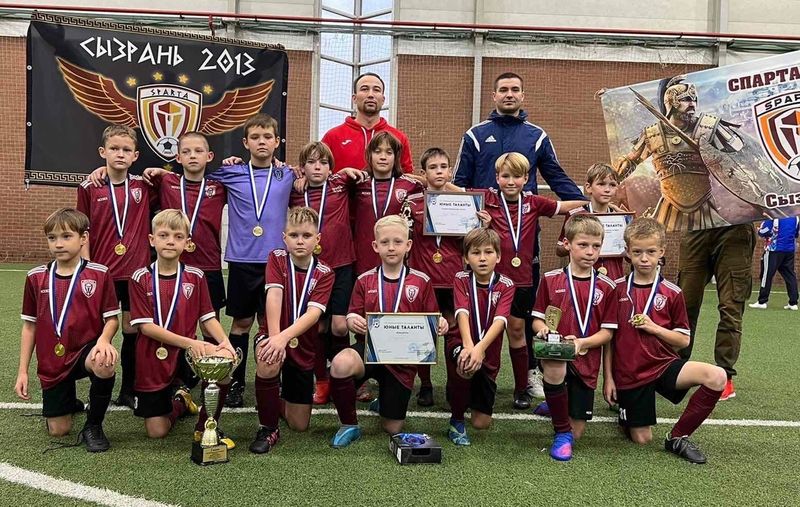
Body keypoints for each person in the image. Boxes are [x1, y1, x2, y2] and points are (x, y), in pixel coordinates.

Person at [453, 72, 585, 402]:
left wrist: (591, 205)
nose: (509, 94)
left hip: (524, 246)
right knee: (479, 313)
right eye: (503, 90)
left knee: (520, 322)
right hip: (484, 245)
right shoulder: (475, 135)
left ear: (523, 95)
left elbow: (557, 177)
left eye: (515, 90)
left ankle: (527, 378)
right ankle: (476, 373)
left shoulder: (537, 136)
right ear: (494, 95)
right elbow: (460, 185)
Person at [604, 217, 726, 464]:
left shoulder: (672, 292)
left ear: (661, 251)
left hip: (662, 366)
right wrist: (609, 378)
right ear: (627, 252)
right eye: (637, 252)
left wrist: (654, 328)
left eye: (650, 252)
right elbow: (609, 339)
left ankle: (677, 437)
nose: (644, 258)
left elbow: (682, 340)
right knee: (642, 439)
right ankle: (626, 412)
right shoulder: (615, 289)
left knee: (717, 376)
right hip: (629, 374)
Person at [476, 152, 585, 409]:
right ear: (496, 177)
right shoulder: (486, 199)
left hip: (521, 281)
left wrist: (592, 202)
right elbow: (454, 193)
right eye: (505, 176)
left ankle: (520, 388)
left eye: (516, 176)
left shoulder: (533, 202)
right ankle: (485, 384)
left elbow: (564, 207)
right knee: (488, 331)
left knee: (517, 331)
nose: (510, 181)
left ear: (526, 178)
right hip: (492, 280)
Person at [328, 215, 448, 448]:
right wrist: (353, 321)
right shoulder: (364, 280)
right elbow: (352, 314)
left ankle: (384, 401)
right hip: (370, 351)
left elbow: (433, 317)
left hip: (402, 360)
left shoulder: (421, 281)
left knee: (392, 428)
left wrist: (441, 323)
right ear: (375, 246)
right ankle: (349, 425)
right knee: (340, 364)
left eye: (397, 242)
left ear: (408, 245)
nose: (391, 247)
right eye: (385, 242)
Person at [206, 113, 296, 408]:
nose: (261, 142)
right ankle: (235, 383)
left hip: (276, 261)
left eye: (267, 137)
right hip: (242, 260)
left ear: (277, 142)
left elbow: (312, 178)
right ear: (245, 143)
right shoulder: (230, 172)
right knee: (242, 322)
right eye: (255, 137)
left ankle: (271, 382)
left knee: (272, 324)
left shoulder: (287, 174)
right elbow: (195, 175)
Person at [16, 208, 119, 452]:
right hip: (52, 361)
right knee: (58, 430)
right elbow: (29, 326)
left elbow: (112, 319)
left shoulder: (99, 273)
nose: (58, 244)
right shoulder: (35, 277)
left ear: (83, 238)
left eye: (66, 236)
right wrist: (23, 371)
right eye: (52, 238)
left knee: (104, 362)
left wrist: (104, 340)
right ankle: (68, 402)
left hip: (85, 351)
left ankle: (93, 426)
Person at [129, 210, 236, 440]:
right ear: (152, 240)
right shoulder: (140, 278)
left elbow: (208, 317)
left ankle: (205, 426)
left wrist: (225, 343)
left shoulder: (196, 276)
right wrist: (190, 342)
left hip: (186, 356)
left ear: (187, 243)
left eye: (178, 236)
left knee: (224, 363)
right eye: (164, 235)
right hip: (152, 357)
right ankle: (180, 401)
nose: (170, 241)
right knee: (157, 432)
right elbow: (146, 327)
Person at [77, 125, 153, 409]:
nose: (120, 154)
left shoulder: (144, 186)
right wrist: (86, 267)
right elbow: (83, 230)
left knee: (132, 330)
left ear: (135, 156)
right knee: (99, 331)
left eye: (126, 150)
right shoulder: (89, 187)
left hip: (135, 274)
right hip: (102, 273)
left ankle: (128, 389)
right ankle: (98, 387)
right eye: (114, 149)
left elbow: (173, 182)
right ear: (103, 152)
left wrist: (159, 171)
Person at [532, 214, 618, 461]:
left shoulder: (607, 286)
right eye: (583, 245)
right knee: (556, 364)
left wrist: (581, 343)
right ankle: (561, 433)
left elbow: (607, 333)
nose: (590, 252)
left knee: (578, 431)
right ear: (567, 244)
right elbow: (537, 319)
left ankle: (557, 402)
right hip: (556, 353)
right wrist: (543, 329)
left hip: (586, 361)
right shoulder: (550, 279)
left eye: (596, 246)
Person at [249, 207, 335, 453]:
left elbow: (313, 314)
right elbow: (274, 296)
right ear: (284, 237)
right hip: (272, 334)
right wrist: (276, 339)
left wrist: (285, 338)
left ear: (317, 239)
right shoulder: (276, 258)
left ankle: (271, 400)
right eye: (294, 235)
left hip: (303, 346)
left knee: (299, 425)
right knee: (269, 359)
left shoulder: (325, 273)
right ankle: (268, 428)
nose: (300, 241)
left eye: (306, 236)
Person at [612, 75, 746, 231]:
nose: (692, 104)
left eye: (694, 100)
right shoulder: (652, 134)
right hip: (668, 206)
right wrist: (609, 182)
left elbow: (740, 155)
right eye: (686, 99)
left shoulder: (708, 127)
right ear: (672, 102)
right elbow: (630, 161)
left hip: (705, 206)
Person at [288, 142, 368, 405]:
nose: (317, 167)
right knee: (318, 326)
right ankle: (321, 380)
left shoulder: (341, 183)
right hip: (312, 269)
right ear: (302, 168)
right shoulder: (295, 190)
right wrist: (292, 176)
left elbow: (372, 177)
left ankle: (346, 378)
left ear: (331, 168)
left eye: (323, 163)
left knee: (339, 325)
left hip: (342, 264)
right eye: (311, 162)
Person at [406, 147, 472, 407]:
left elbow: (470, 242)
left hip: (452, 278)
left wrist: (480, 224)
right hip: (423, 280)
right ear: (423, 173)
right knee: (424, 331)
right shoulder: (412, 204)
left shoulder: (463, 204)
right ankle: (426, 385)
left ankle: (454, 383)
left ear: (450, 171)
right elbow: (403, 238)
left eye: (443, 167)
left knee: (453, 329)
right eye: (433, 168)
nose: (439, 172)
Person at [447, 228, 515, 445]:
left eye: (488, 252)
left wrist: (480, 348)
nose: (482, 258)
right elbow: (462, 313)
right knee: (465, 363)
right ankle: (456, 420)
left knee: (481, 423)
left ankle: (467, 397)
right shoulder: (461, 279)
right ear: (466, 258)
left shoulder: (506, 285)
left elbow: (500, 321)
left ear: (499, 256)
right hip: (461, 342)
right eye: (476, 253)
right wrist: (469, 347)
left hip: (488, 352)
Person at [321, 72, 414, 174]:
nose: (370, 95)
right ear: (354, 98)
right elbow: (318, 173)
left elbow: (407, 177)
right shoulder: (333, 136)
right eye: (364, 89)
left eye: (376, 90)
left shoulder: (399, 138)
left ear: (383, 100)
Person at [556, 163, 627, 281]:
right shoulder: (575, 215)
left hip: (615, 280)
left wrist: (627, 247)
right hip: (583, 280)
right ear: (588, 187)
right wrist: (580, 243)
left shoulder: (622, 217)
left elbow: (630, 257)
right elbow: (559, 249)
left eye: (612, 185)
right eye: (601, 184)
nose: (607, 189)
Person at [749, 216, 799, 311]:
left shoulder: (773, 216)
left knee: (766, 275)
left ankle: (762, 301)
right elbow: (796, 234)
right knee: (790, 276)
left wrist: (759, 230)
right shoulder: (795, 218)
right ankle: (793, 303)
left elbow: (765, 231)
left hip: (773, 250)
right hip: (789, 251)